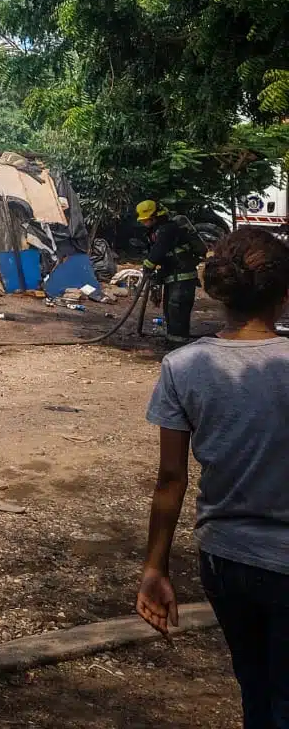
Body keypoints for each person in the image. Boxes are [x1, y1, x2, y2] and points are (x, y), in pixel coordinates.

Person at [137, 227, 289, 728]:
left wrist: (155, 569)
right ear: (284, 295)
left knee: (255, 687)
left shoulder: (184, 366)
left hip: (225, 559)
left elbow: (170, 480)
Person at [137, 199, 207, 345]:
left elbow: (158, 251)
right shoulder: (157, 230)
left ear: (155, 216)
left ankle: (179, 343)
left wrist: (148, 265)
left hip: (183, 277)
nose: (144, 223)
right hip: (172, 276)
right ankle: (172, 339)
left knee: (177, 309)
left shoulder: (167, 229)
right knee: (169, 309)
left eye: (147, 219)